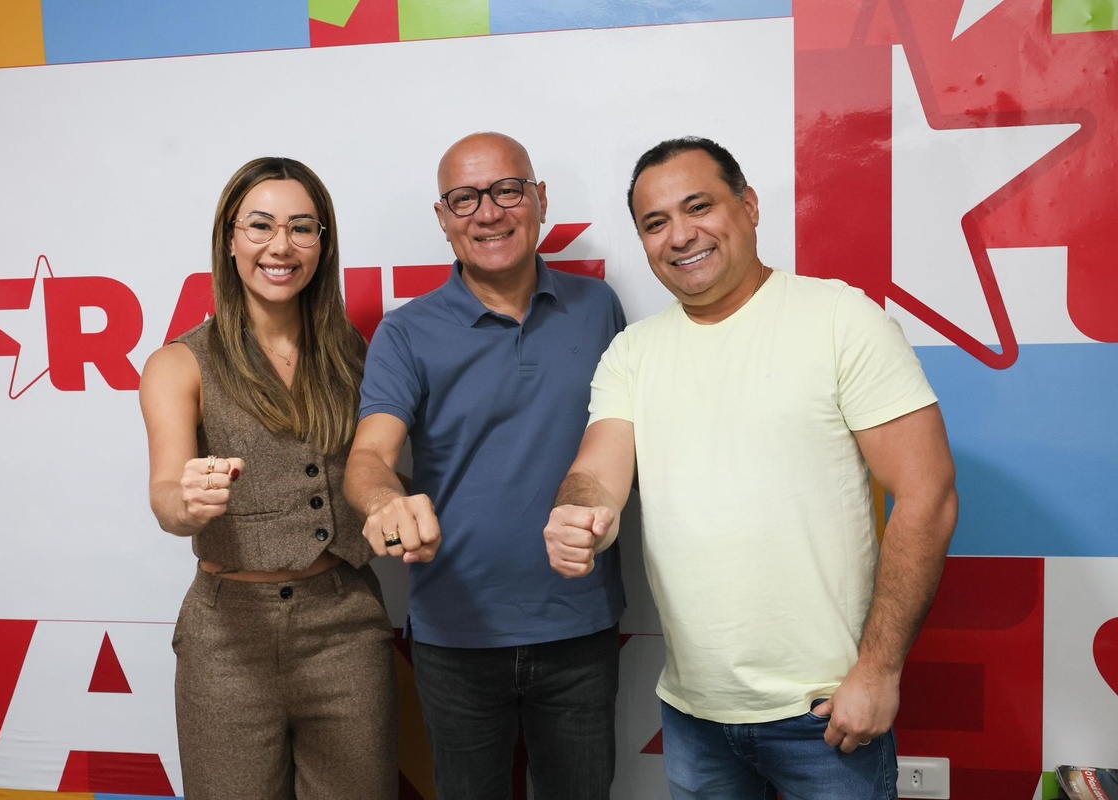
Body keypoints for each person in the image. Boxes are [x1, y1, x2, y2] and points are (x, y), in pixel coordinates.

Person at [543, 137, 958, 800]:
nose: (680, 235)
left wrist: (879, 671)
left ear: (750, 206)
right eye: (655, 223)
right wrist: (577, 513)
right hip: (694, 715)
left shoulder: (840, 318)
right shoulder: (633, 352)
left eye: (698, 207)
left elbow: (927, 494)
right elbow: (599, 469)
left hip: (826, 712)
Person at [344, 132, 626, 800]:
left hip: (579, 625)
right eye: (465, 199)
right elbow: (370, 456)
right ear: (443, 218)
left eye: (507, 190)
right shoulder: (406, 332)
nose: (489, 213)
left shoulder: (599, 307)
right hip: (456, 634)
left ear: (540, 199)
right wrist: (383, 502)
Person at [139, 157, 397, 800]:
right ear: (229, 240)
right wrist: (186, 503)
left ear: (322, 244)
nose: (280, 246)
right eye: (260, 226)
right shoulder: (177, 363)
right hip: (228, 639)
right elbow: (166, 494)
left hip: (346, 626)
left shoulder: (355, 353)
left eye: (302, 228)